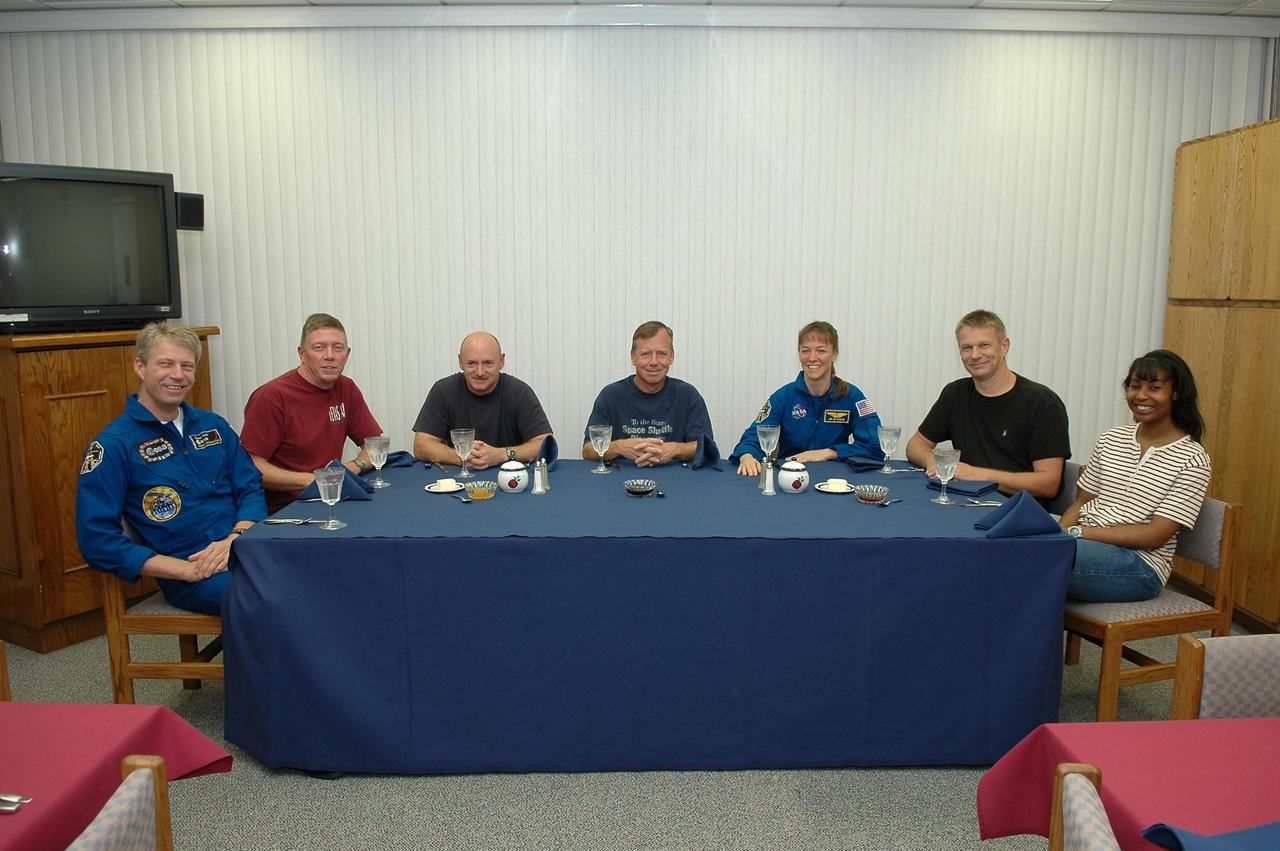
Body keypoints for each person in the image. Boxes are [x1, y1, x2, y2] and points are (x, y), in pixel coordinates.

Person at [75, 321, 266, 615]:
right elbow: (97, 540)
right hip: (193, 570)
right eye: (166, 363)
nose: (178, 375)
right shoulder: (114, 446)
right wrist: (182, 570)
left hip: (245, 547)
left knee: (323, 577)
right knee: (279, 601)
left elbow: (250, 486)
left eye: (187, 366)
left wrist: (236, 538)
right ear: (140, 367)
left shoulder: (212, 426)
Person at [1059, 350, 1211, 603]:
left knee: (1034, 563)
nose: (1141, 395)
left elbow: (1154, 535)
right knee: (1021, 552)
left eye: (1154, 388)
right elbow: (1082, 502)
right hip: (1085, 544)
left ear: (1175, 394)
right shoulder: (1111, 439)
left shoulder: (1193, 459)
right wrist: (1061, 531)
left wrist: (1076, 533)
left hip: (1141, 565)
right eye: (1135, 386)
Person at [905, 310, 1070, 500]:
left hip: (1015, 514)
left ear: (1004, 346)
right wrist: (933, 461)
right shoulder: (955, 393)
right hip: (962, 501)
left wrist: (976, 475)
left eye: (984, 345)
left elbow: (1048, 484)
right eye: (967, 348)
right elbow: (915, 445)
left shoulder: (1042, 403)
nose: (975, 355)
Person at [241, 313, 383, 513]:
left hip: (333, 500)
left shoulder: (346, 388)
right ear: (301, 353)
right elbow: (250, 467)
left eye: (337, 348)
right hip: (287, 509)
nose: (330, 356)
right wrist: (314, 480)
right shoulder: (272, 397)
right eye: (319, 348)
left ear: (347, 354)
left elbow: (375, 445)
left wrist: (353, 466)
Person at [731, 321, 882, 476]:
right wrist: (747, 455)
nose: (812, 358)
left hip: (834, 480)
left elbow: (876, 445)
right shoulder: (783, 396)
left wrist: (830, 453)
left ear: (834, 354)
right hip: (789, 477)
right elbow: (754, 437)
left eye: (821, 351)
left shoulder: (851, 396)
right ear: (799, 355)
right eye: (805, 351)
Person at [580, 321, 714, 467]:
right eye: (646, 354)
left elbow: (706, 447)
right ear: (633, 357)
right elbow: (587, 450)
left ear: (672, 356)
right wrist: (620, 447)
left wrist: (676, 449)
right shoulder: (610, 395)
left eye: (662, 354)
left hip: (676, 478)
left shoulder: (688, 395)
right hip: (620, 478)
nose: (654, 362)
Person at [412, 331, 552, 470]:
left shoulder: (519, 392)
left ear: (501, 361)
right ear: (461, 362)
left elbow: (544, 443)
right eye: (471, 364)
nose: (479, 372)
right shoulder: (443, 390)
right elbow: (421, 446)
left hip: (508, 481)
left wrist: (503, 454)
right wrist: (461, 457)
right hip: (457, 480)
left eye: (488, 363)